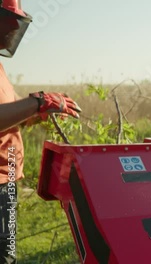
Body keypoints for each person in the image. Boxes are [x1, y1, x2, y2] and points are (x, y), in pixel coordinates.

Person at [0, 1, 81, 263]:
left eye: (16, 20)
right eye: (7, 18)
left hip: (7, 175)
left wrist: (37, 114)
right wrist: (37, 101)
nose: (13, 27)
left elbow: (9, 115)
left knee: (6, 252)